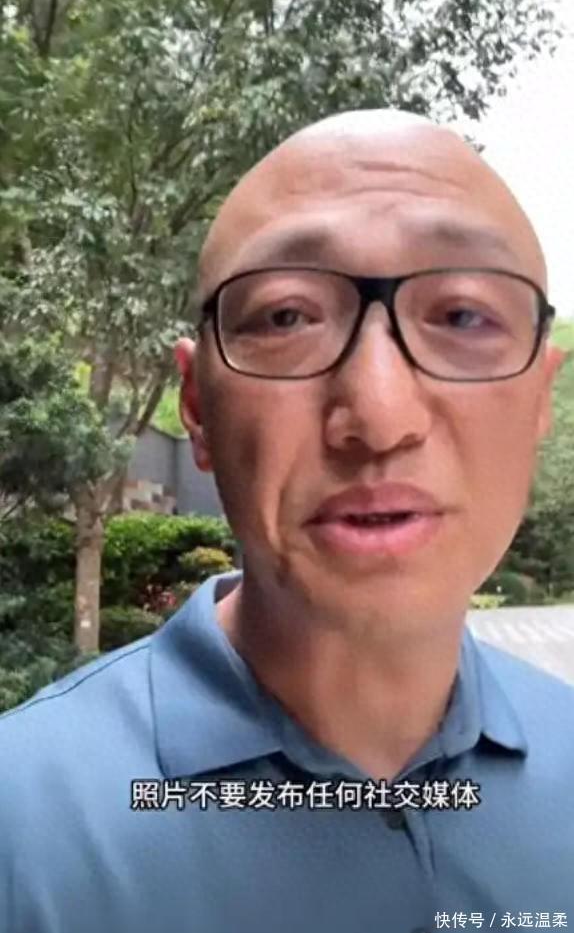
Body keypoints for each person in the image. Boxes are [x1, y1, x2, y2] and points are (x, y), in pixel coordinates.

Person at [0, 109, 571, 933]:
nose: (378, 415)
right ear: (198, 405)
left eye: (462, 316)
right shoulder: (24, 830)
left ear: (541, 396)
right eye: (287, 317)